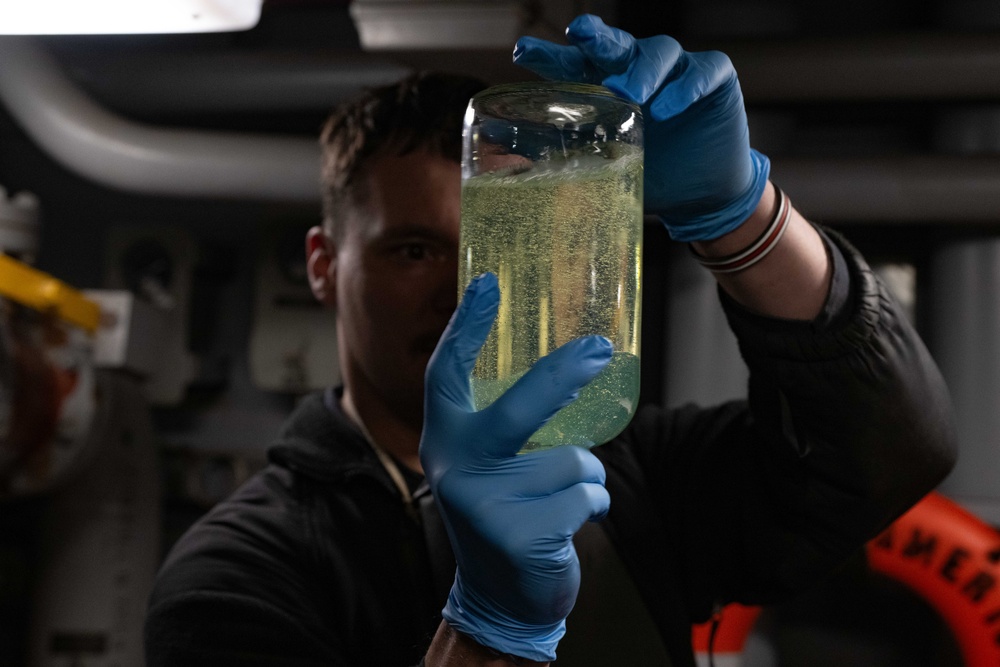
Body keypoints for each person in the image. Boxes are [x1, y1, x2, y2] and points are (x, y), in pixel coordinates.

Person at [143, 14, 957, 667]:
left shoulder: (627, 470)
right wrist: (488, 628)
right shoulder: (238, 575)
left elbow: (889, 450)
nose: (466, 289)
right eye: (416, 249)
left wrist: (743, 217)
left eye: (496, 248)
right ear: (323, 266)